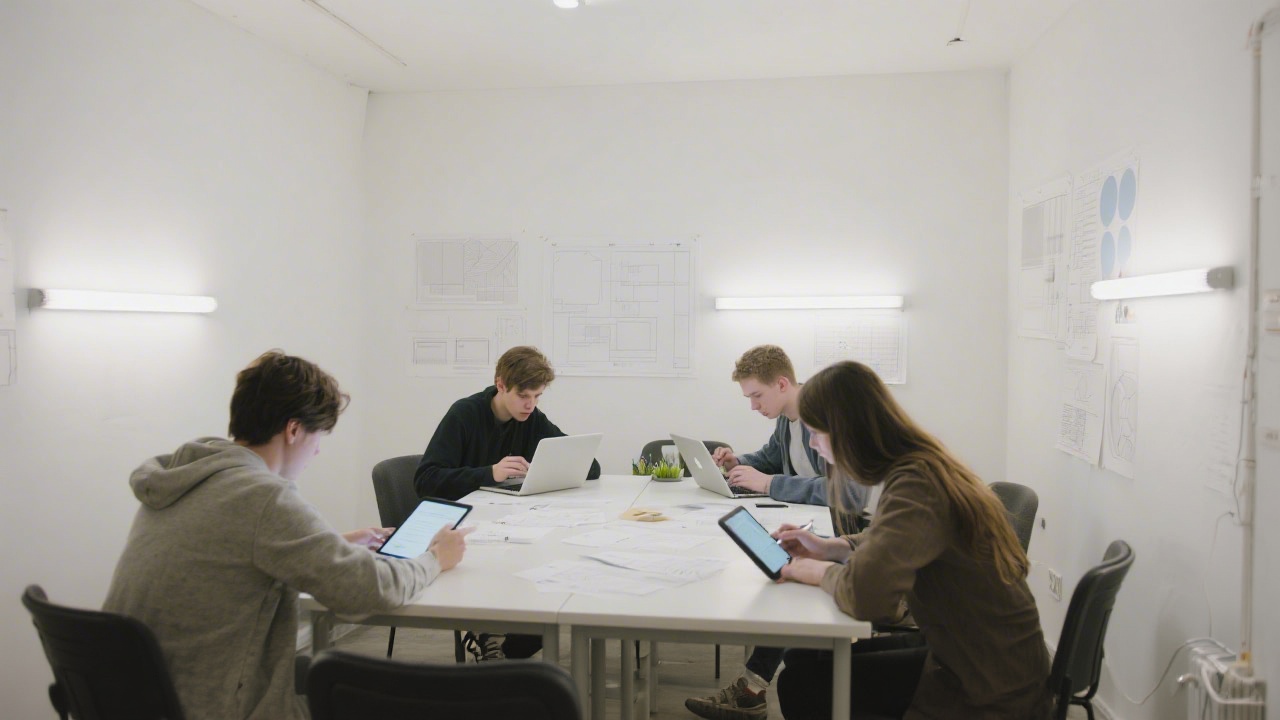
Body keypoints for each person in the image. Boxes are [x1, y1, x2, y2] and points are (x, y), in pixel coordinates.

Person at [103, 351, 473, 720]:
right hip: (214, 704)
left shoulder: (185, 477)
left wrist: (335, 544)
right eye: (318, 436)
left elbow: (232, 552)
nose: (317, 450)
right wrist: (436, 557)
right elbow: (370, 589)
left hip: (129, 696)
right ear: (294, 430)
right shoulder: (263, 496)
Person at [773, 360, 1052, 719]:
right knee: (803, 659)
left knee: (804, 684)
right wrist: (835, 547)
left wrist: (811, 571)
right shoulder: (921, 463)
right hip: (982, 652)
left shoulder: (916, 483)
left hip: (987, 683)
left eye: (816, 432)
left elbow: (866, 597)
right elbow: (896, 537)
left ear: (846, 431)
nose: (813, 444)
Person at [685, 345, 870, 720]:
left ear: (782, 384)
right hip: (809, 524)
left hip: (842, 530)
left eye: (757, 395)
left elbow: (848, 492)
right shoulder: (787, 420)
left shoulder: (830, 419)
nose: (753, 406)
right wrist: (740, 463)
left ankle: (752, 689)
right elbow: (771, 460)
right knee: (772, 563)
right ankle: (753, 688)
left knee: (785, 577)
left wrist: (770, 485)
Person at [415, 344, 600, 661]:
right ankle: (489, 637)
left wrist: (555, 464)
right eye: (524, 395)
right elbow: (426, 479)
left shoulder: (530, 417)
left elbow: (591, 467)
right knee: (529, 585)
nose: (530, 405)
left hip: (506, 522)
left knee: (550, 580)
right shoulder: (465, 414)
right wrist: (489, 473)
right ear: (501, 385)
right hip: (461, 526)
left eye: (538, 396)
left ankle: (499, 642)